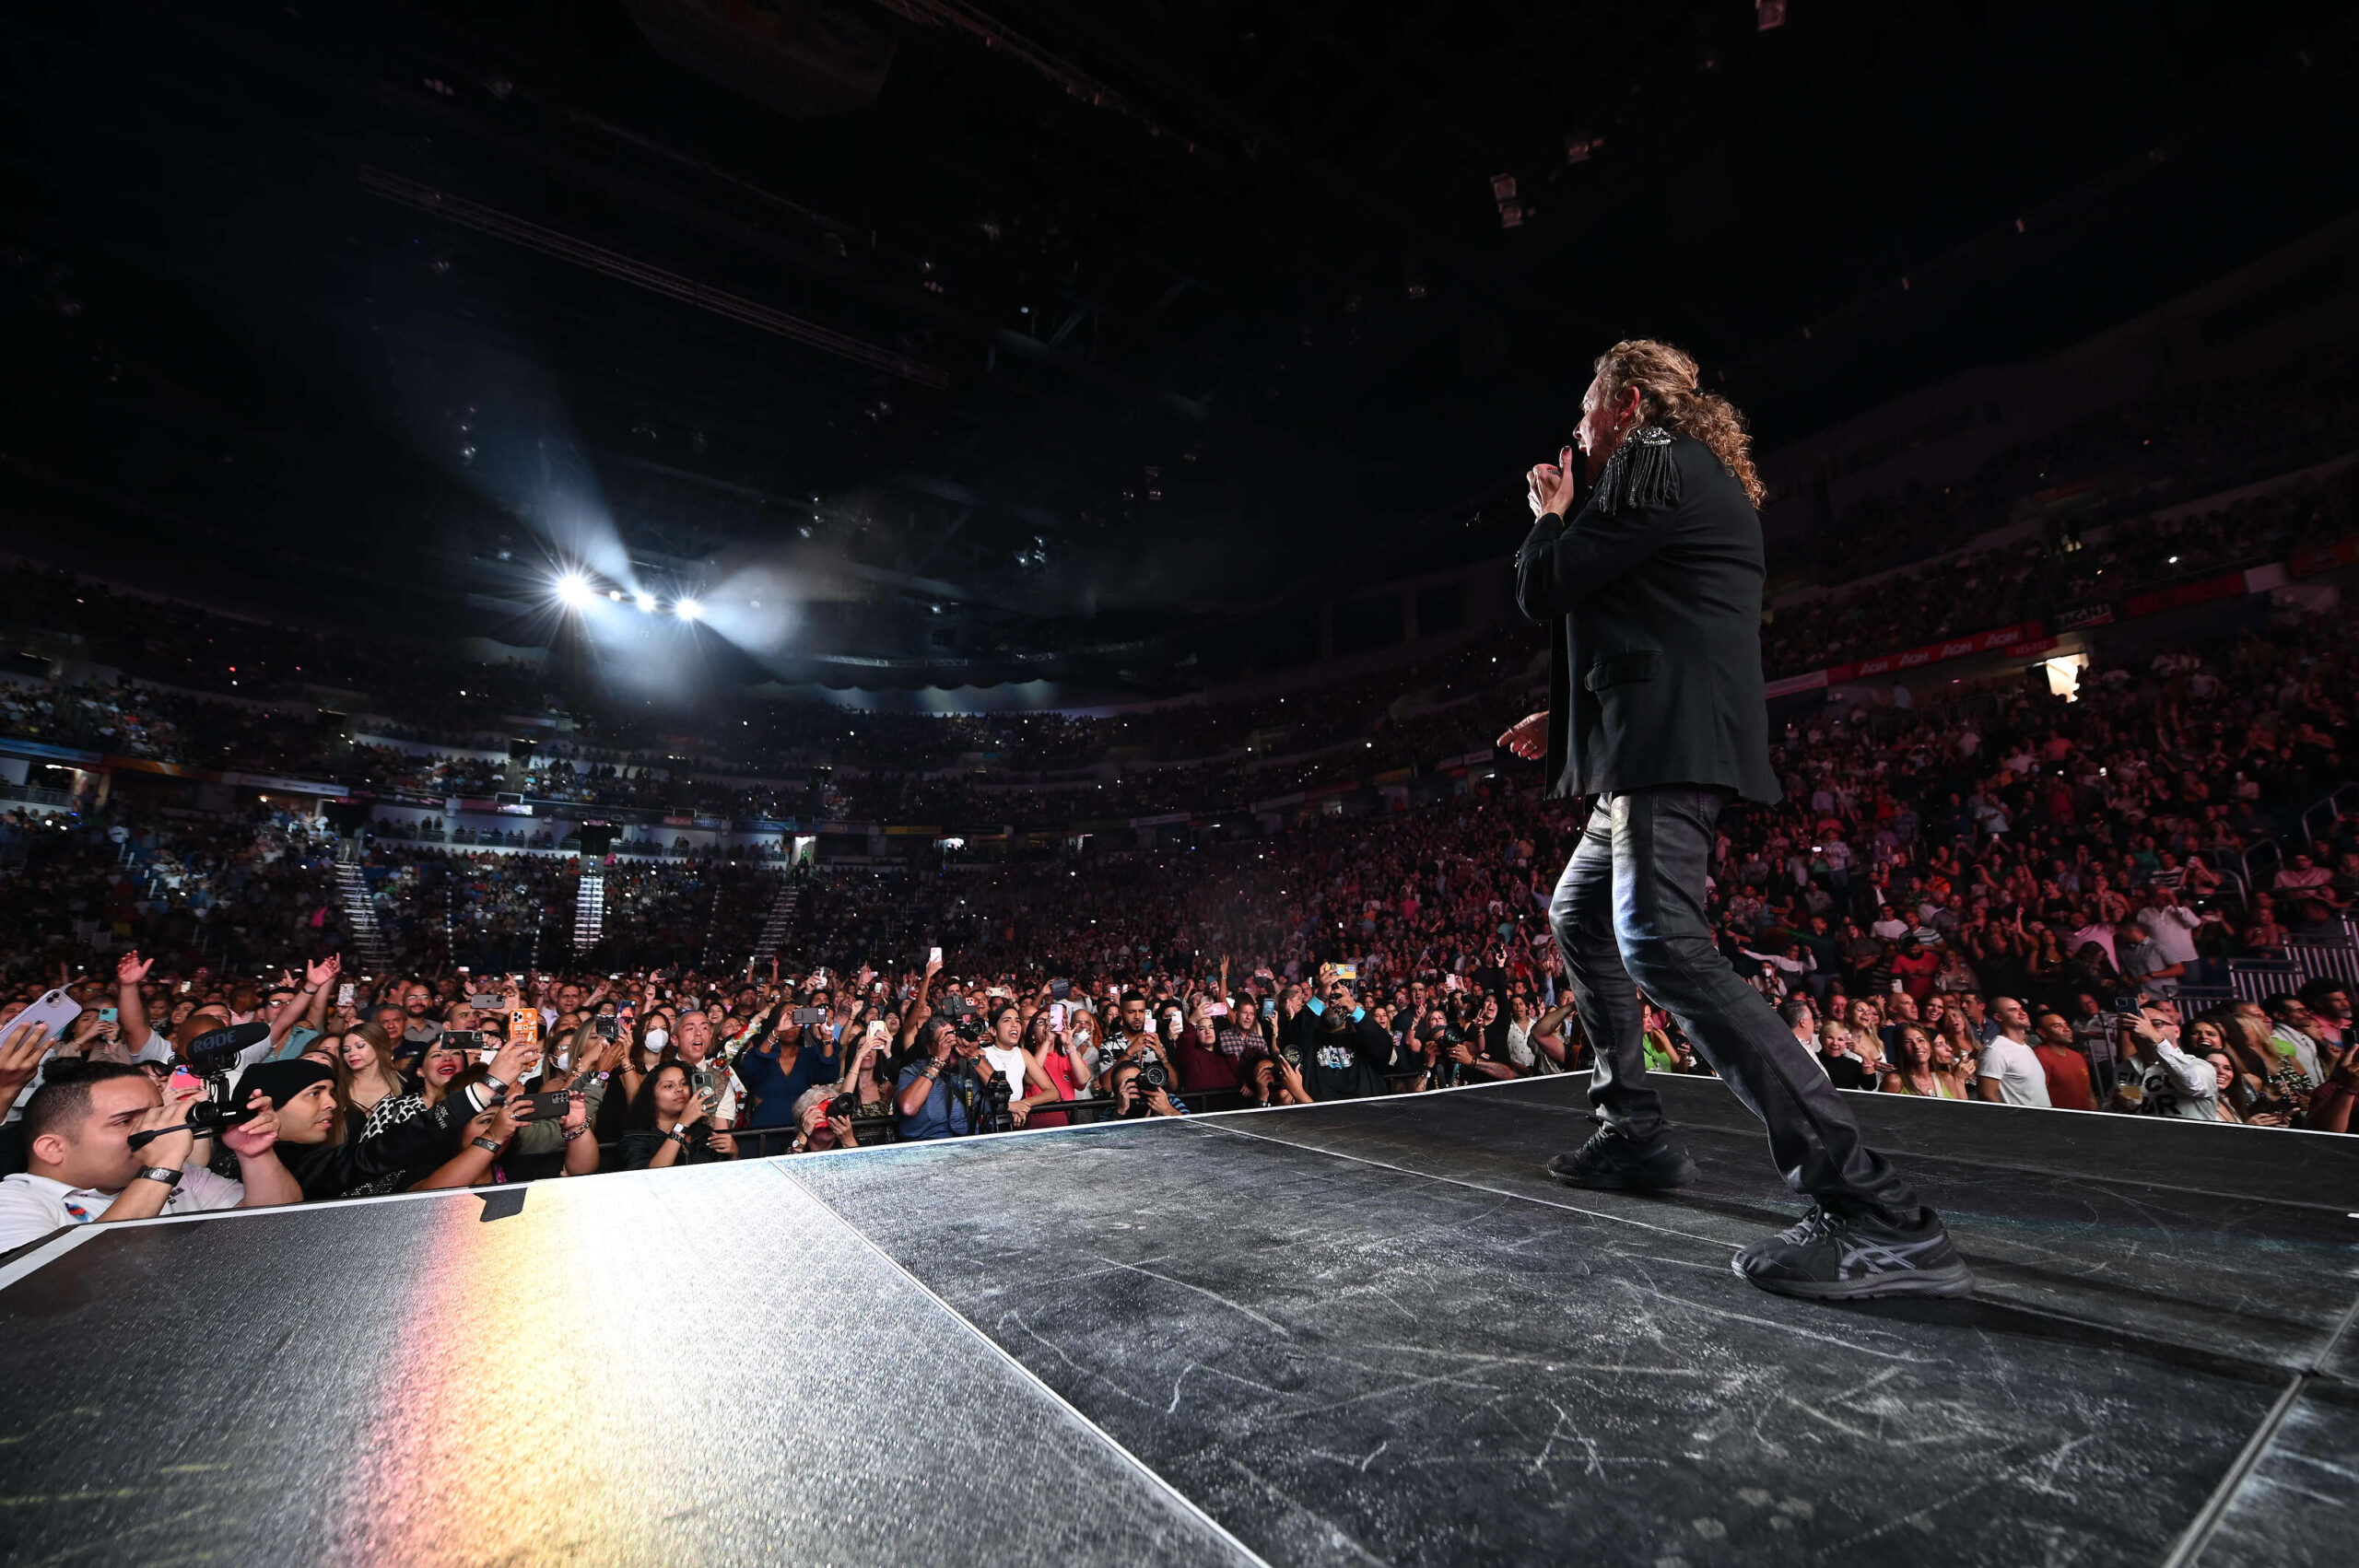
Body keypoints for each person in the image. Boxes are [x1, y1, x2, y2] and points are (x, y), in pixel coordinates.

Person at [1500, 338, 1968, 1301]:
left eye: (1584, 413)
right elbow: (1659, 613)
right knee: (1580, 913)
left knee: (1657, 938)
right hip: (1643, 732)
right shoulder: (1661, 468)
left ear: (1623, 404)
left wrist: (1550, 517)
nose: (1575, 432)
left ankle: (1876, 1212)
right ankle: (1633, 1130)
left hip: (1666, 742)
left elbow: (1547, 587)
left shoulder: (1650, 459)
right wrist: (1572, 712)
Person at [0, 1060, 300, 1251]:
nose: (154, 1127)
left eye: (158, 1113)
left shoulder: (181, 1174)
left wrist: (256, 1153)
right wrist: (161, 1167)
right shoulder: (13, 1202)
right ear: (53, 1148)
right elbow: (63, 1287)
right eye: (125, 1120)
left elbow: (272, 1224)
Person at [1976, 997, 2051, 1107]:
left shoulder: (2025, 1047)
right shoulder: (1995, 1050)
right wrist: (2011, 1121)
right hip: (2021, 1123)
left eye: (2021, 1009)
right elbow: (1985, 1095)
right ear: (1998, 1017)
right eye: (2013, 1010)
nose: (2022, 1013)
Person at [2028, 1011, 2099, 1112]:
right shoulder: (2040, 1057)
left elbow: (2089, 1092)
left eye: (2066, 1025)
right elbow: (2037, 1097)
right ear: (2042, 1033)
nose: (2067, 1029)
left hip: (2086, 1120)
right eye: (2057, 1026)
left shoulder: (2077, 1056)